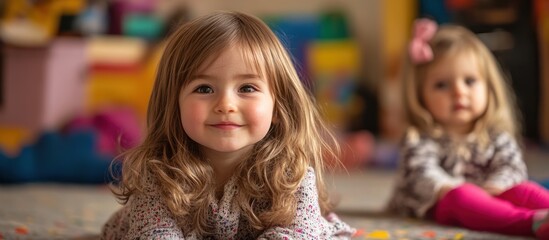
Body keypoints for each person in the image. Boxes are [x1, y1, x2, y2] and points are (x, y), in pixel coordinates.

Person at [101, 11, 356, 239]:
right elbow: (154, 233)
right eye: (204, 88)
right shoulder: (158, 172)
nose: (226, 104)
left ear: (278, 107)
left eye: (247, 88)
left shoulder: (293, 173)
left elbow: (297, 233)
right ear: (173, 105)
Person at [388, 18, 549, 239]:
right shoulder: (419, 138)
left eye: (470, 81)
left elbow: (512, 168)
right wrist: (460, 190)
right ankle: (530, 223)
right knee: (461, 197)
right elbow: (423, 175)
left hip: (492, 194)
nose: (459, 92)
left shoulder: (495, 134)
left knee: (525, 190)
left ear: (489, 86)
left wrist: (495, 186)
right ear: (419, 95)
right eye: (442, 85)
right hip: (443, 203)